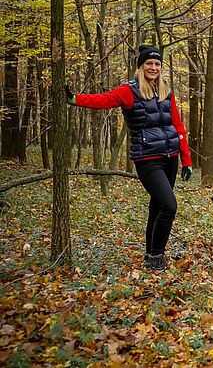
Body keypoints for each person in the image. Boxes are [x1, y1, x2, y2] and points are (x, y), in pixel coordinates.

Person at [65, 44, 192, 271]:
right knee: (169, 205)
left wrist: (187, 160)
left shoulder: (166, 92)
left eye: (157, 64)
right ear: (141, 67)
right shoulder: (130, 91)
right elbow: (103, 100)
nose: (153, 67)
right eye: (149, 64)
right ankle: (156, 256)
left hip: (170, 156)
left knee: (158, 206)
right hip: (147, 159)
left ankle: (150, 254)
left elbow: (178, 125)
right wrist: (76, 99)